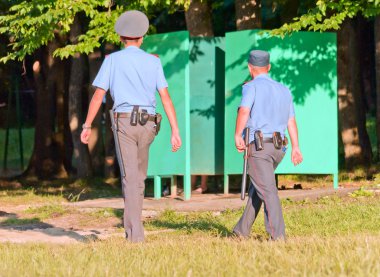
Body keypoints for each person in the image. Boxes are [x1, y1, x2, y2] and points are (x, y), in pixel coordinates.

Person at [80, 10, 182, 242]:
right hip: (149, 124)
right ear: (143, 37)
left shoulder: (112, 60)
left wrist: (87, 125)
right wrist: (175, 130)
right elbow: (165, 97)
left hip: (124, 122)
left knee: (130, 177)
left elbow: (98, 96)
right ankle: (135, 230)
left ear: (120, 38)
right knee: (138, 177)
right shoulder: (153, 61)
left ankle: (135, 236)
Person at [233, 50, 303, 240]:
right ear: (269, 67)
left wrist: (238, 134)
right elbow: (291, 121)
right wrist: (296, 147)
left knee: (267, 191)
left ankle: (277, 236)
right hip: (279, 148)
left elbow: (244, 111)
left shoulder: (251, 87)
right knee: (260, 187)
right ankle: (241, 231)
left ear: (250, 67)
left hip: (259, 147)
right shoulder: (284, 89)